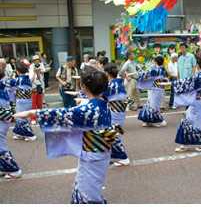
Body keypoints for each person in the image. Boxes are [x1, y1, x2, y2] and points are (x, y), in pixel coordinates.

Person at [37, 63, 117, 203]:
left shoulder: (88, 109)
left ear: (84, 87)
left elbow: (62, 114)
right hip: (102, 150)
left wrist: (35, 113)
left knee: (88, 193)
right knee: (88, 186)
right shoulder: (102, 101)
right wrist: (83, 99)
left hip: (93, 154)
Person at [173, 52, 201, 150]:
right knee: (190, 121)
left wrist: (174, 84)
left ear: (198, 65)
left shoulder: (200, 76)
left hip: (197, 102)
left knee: (191, 123)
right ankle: (185, 144)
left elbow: (187, 83)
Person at [103, 63, 129, 164]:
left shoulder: (111, 85)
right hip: (119, 112)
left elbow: (101, 96)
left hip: (114, 113)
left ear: (106, 73)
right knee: (112, 135)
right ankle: (113, 156)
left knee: (113, 136)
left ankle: (123, 158)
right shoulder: (119, 83)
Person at [0, 59, 21, 178]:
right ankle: (4, 167)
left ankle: (13, 169)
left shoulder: (5, 81)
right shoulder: (7, 81)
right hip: (6, 114)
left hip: (3, 116)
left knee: (0, 146)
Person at [137, 55, 166, 126]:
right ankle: (151, 120)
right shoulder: (162, 69)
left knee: (152, 104)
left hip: (154, 89)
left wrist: (140, 74)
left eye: (154, 61)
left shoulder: (155, 70)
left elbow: (145, 75)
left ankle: (149, 120)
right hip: (157, 89)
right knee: (154, 105)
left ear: (156, 62)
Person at [11, 60, 35, 143]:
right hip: (27, 100)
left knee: (21, 118)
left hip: (21, 101)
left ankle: (29, 135)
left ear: (17, 71)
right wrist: (29, 65)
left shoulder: (16, 80)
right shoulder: (29, 78)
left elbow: (11, 88)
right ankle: (20, 133)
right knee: (22, 117)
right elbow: (32, 72)